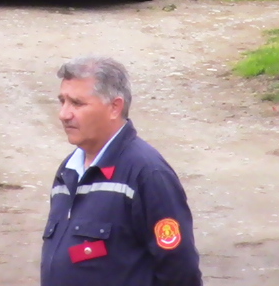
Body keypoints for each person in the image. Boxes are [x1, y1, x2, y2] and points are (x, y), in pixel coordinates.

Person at [41, 56, 202, 286]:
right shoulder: (68, 171)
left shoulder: (147, 174)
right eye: (62, 101)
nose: (64, 114)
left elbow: (180, 270)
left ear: (114, 107)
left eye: (77, 103)